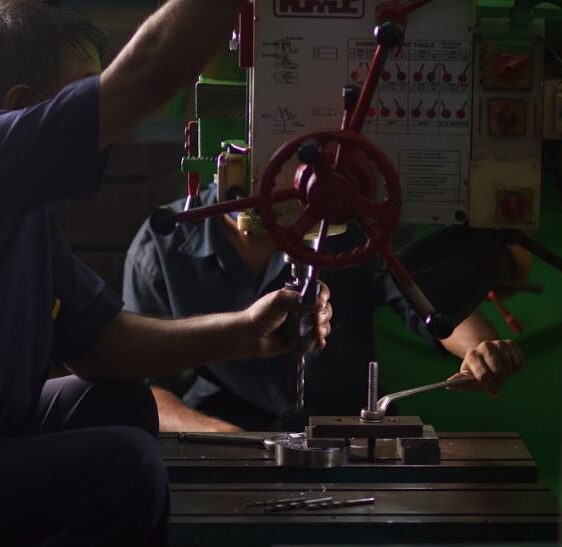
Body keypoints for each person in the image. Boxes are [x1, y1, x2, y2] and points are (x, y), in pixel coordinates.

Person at [0, 1, 331, 546]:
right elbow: (150, 70)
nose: (104, 124)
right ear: (20, 108)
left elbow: (100, 344)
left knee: (120, 404)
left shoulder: (31, 211)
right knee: (125, 465)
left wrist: (247, 331)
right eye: (83, 96)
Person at [124, 184, 525, 434]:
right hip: (225, 426)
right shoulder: (162, 246)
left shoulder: (353, 228)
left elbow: (428, 301)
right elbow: (143, 389)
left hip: (348, 430)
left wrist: (479, 348)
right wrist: (224, 437)